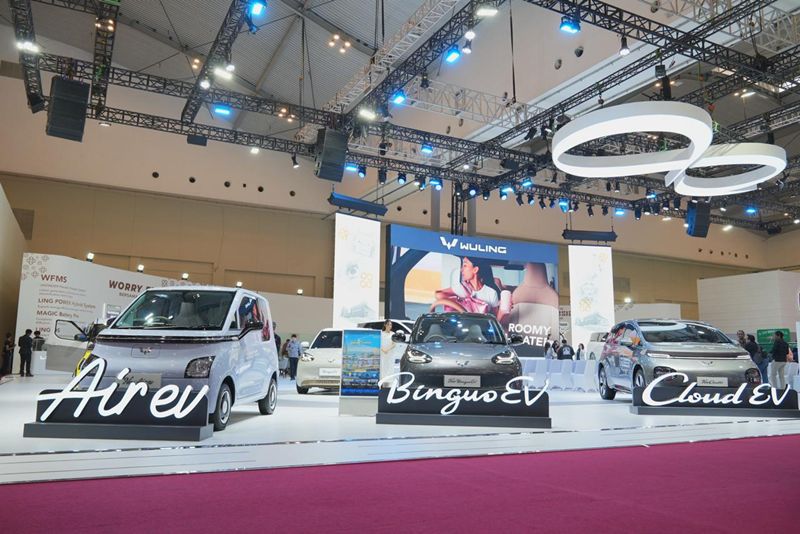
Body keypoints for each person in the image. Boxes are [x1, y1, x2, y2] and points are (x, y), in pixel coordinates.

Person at [432, 256, 500, 314]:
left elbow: (495, 318)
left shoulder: (491, 293)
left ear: (475, 270)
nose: (461, 270)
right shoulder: (462, 288)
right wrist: (462, 300)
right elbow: (438, 294)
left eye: (465, 266)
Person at [380, 320, 397, 387]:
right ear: (385, 325)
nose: (390, 326)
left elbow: (394, 344)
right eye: (388, 325)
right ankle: (382, 382)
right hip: (382, 353)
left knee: (389, 367)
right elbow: (378, 343)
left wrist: (387, 349)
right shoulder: (381, 333)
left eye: (390, 325)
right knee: (383, 367)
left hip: (390, 354)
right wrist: (383, 349)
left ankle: (388, 384)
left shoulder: (393, 334)